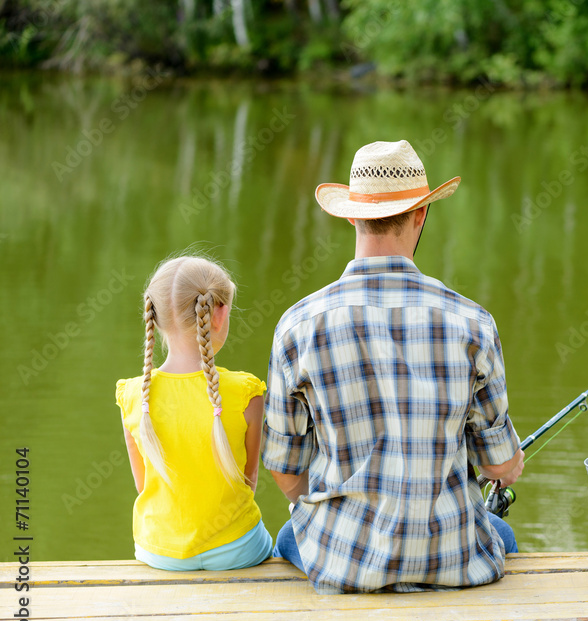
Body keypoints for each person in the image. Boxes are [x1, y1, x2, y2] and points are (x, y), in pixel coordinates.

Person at [263, 140, 525, 594]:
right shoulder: (472, 322)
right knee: (502, 536)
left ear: (351, 215)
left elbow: (285, 472)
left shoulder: (299, 324)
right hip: (451, 559)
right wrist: (510, 464)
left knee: (291, 534)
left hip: (344, 563)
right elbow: (498, 465)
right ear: (420, 214)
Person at [115, 256, 272, 571]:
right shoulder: (246, 392)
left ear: (154, 318)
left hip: (158, 551)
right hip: (237, 549)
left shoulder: (134, 395)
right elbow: (249, 479)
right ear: (219, 314)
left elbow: (143, 484)